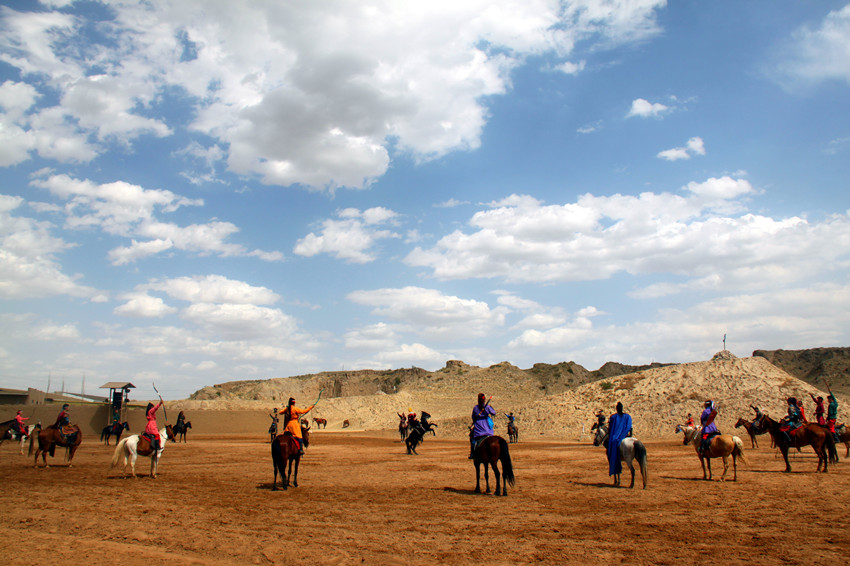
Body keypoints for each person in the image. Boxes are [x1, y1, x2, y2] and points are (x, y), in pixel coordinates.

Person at [606, 402, 632, 480]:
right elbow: (630, 427)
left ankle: (614, 468)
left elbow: (610, 429)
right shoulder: (627, 417)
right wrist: (630, 435)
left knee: (612, 450)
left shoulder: (613, 417)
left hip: (615, 438)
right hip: (625, 435)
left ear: (617, 409)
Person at [469, 393, 495, 459]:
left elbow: (473, 417)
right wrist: (490, 408)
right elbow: (493, 413)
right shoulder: (487, 407)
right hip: (487, 427)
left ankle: (472, 453)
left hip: (479, 427)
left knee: (473, 440)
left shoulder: (475, 408)